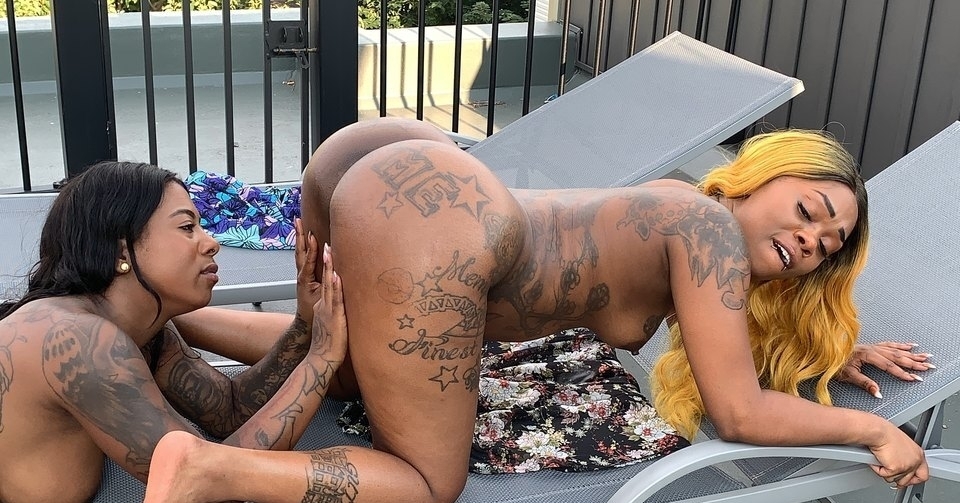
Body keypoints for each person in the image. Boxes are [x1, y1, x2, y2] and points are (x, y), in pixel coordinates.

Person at [144, 117, 931, 503]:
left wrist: (832, 355)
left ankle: (163, 323)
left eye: (827, 244)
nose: (811, 238)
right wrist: (871, 429)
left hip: (387, 162)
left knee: (344, 357)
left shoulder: (685, 209)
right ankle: (213, 469)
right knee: (425, 481)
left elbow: (729, 349)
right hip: (439, 234)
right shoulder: (710, 234)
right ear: (760, 176)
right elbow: (740, 410)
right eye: (809, 209)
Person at [0, 161, 348, 503]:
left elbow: (228, 411)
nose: (211, 243)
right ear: (122, 251)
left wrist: (305, 323)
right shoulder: (79, 340)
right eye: (187, 227)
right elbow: (209, 480)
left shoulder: (143, 329)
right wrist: (321, 358)